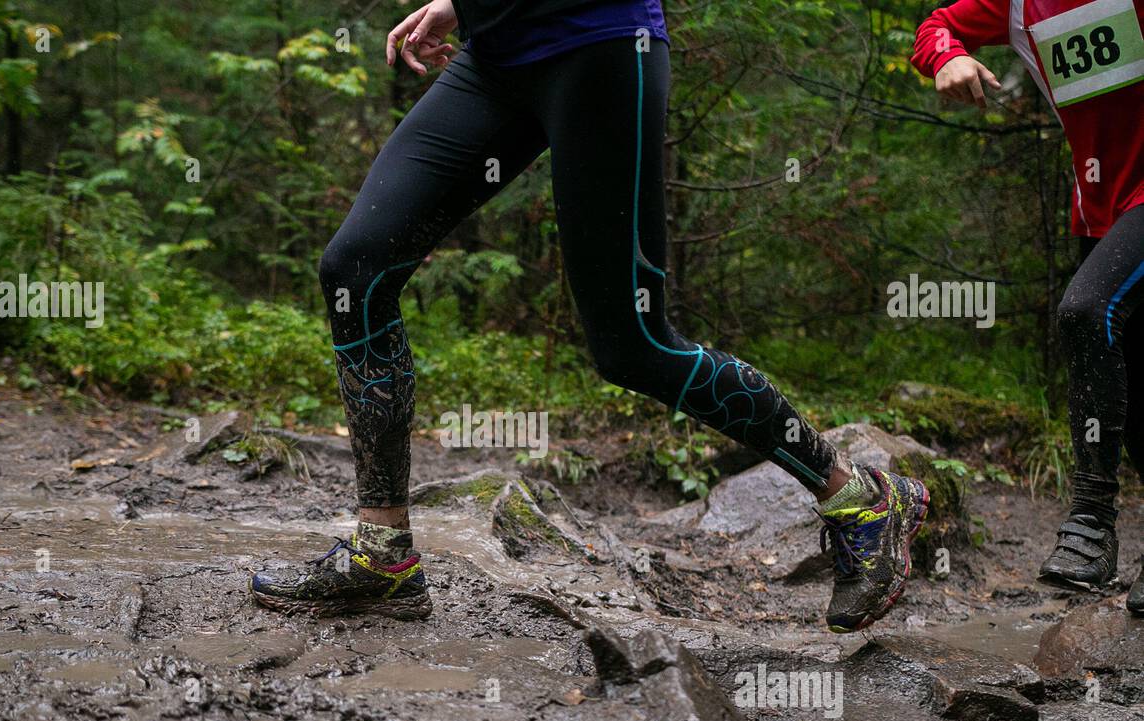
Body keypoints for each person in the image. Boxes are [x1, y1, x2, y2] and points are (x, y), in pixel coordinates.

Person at [252, 0, 930, 631]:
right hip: (496, 57)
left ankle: (860, 497)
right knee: (357, 268)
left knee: (632, 345)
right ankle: (384, 555)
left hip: (600, 45)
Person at [912, 0, 1144, 608]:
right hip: (1105, 202)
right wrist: (947, 56)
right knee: (1126, 367)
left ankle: (1092, 521)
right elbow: (936, 26)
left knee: (1087, 312)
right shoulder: (1018, 4)